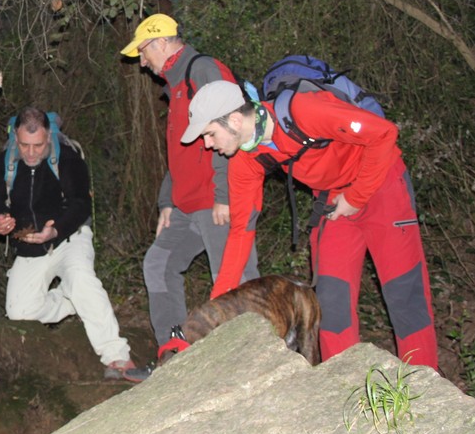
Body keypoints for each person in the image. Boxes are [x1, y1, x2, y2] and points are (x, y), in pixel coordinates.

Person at [182, 79, 439, 369]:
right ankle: (343, 385)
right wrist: (217, 306)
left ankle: (422, 385)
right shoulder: (246, 160)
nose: (207, 144)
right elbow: (241, 231)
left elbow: (384, 133)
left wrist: (355, 196)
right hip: (333, 201)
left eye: (210, 134)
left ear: (235, 120)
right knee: (330, 304)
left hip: (382, 184)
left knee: (404, 294)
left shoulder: (304, 110)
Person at [0, 107, 149, 383]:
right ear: (15, 138)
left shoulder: (67, 159)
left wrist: (55, 229)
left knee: (81, 278)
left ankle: (117, 356)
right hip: (30, 246)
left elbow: (81, 204)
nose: (30, 153)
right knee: (20, 312)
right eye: (24, 145)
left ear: (48, 137)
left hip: (70, 237)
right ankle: (73, 299)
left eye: (38, 145)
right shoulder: (3, 164)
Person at [120, 14, 259, 351]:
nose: (142, 62)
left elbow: (233, 131)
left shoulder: (203, 70)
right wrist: (167, 201)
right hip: (186, 204)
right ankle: (175, 352)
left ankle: (254, 356)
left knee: (233, 282)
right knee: (158, 264)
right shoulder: (177, 85)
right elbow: (181, 151)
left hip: (215, 200)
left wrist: (224, 194)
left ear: (161, 42)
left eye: (143, 51)